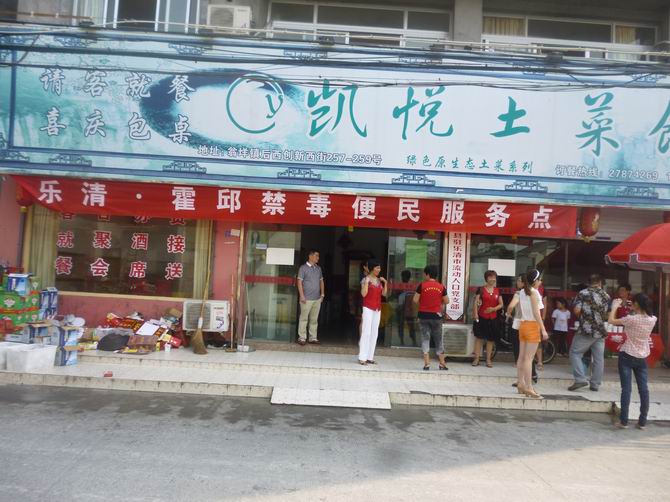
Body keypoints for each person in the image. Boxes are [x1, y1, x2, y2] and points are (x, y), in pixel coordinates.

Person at [608, 294, 656, 430]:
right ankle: (642, 422)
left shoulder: (631, 319)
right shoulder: (653, 319)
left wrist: (615, 307)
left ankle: (624, 422)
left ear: (637, 304)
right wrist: (632, 307)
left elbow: (611, 320)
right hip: (642, 356)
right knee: (643, 389)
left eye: (633, 303)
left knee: (626, 389)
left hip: (627, 355)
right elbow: (641, 314)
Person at [507, 269, 548, 399]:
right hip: (532, 326)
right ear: (535, 281)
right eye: (539, 280)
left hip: (523, 325)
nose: (541, 282)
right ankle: (529, 387)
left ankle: (521, 383)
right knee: (529, 359)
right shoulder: (534, 292)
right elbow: (537, 313)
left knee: (521, 357)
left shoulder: (522, 292)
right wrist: (543, 329)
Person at [568, 274, 610, 392]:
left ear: (589, 283)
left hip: (586, 330)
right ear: (600, 283)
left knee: (575, 353)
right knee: (598, 358)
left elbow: (576, 310)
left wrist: (584, 317)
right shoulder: (606, 295)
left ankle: (580, 379)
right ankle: (595, 384)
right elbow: (606, 314)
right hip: (600, 330)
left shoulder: (583, 293)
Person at [413, 265, 450, 371]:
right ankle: (442, 364)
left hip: (423, 315)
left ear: (427, 274)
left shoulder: (422, 285)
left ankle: (427, 364)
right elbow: (447, 301)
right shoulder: (441, 287)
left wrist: (423, 302)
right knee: (438, 339)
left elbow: (415, 300)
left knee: (425, 338)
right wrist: (438, 302)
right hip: (436, 316)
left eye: (424, 274)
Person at [506, 273, 537, 384]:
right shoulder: (534, 293)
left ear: (524, 282)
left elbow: (511, 306)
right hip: (532, 324)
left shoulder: (519, 293)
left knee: (520, 353)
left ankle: (522, 381)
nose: (517, 282)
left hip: (519, 325)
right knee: (529, 355)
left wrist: (508, 314)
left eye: (519, 280)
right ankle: (531, 376)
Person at [358, 260, 387, 365]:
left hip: (377, 309)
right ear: (372, 268)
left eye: (379, 268)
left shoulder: (379, 280)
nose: (379, 270)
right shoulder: (365, 279)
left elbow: (384, 294)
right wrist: (366, 282)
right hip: (368, 308)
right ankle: (362, 357)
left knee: (375, 333)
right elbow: (363, 294)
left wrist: (385, 283)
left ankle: (370, 357)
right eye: (377, 267)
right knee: (366, 332)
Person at [472, 270, 503, 368]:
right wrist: (475, 314)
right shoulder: (481, 289)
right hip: (481, 317)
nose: (493, 279)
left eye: (494, 277)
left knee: (491, 339)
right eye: (490, 277)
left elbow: (501, 304)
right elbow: (476, 302)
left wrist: (493, 309)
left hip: (493, 318)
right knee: (479, 338)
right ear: (486, 278)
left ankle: (488, 360)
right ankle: (476, 358)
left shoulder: (498, 290)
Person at [296, 249, 325, 346]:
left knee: (314, 319)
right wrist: (302, 296)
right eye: (316, 256)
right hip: (306, 298)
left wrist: (322, 294)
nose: (318, 258)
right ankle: (302, 337)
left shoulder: (318, 268)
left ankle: (313, 338)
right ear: (310, 256)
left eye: (318, 256)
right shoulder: (303, 268)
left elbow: (321, 281)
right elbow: (299, 282)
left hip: (317, 298)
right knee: (304, 318)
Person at [397, 270, 418, 346]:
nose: (403, 278)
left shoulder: (400, 286)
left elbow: (394, 296)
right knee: (410, 326)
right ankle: (413, 342)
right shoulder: (412, 286)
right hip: (408, 309)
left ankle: (403, 341)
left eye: (404, 276)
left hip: (404, 308)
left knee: (403, 326)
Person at [534, 284, 548, 370]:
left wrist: (543, 318)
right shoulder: (527, 289)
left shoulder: (543, 290)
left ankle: (539, 361)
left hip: (539, 318)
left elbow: (545, 304)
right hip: (528, 319)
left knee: (538, 340)